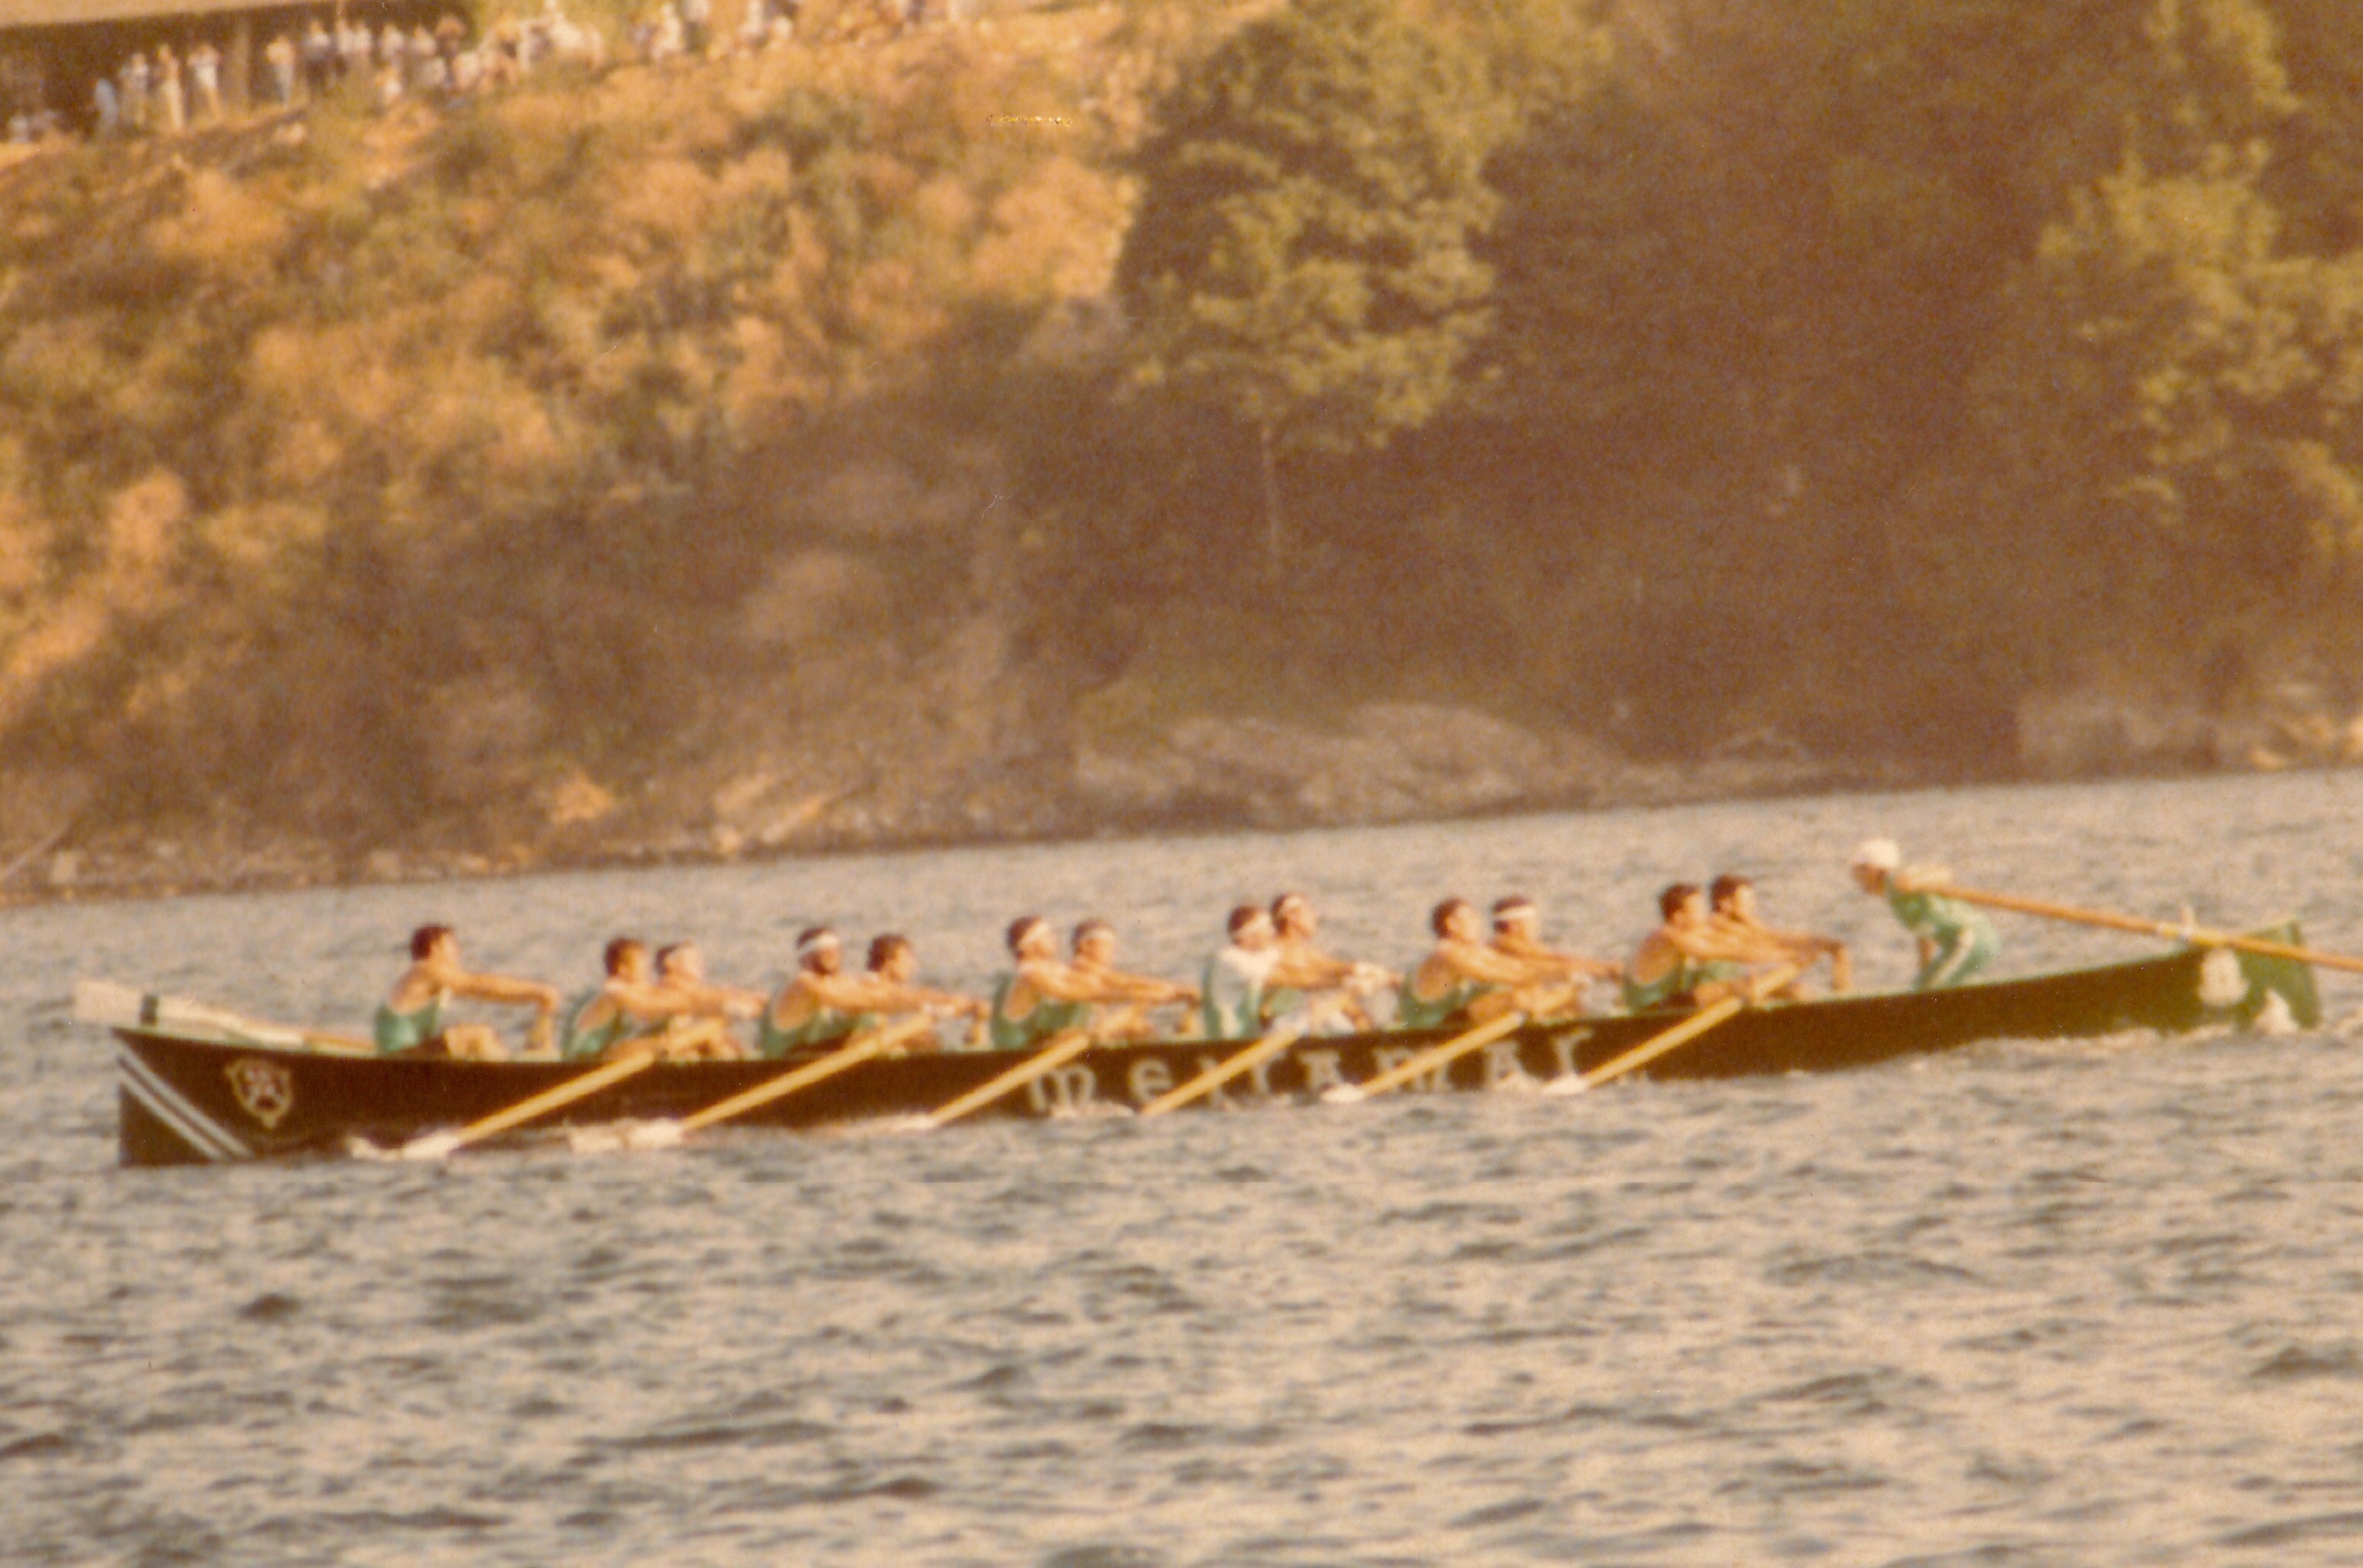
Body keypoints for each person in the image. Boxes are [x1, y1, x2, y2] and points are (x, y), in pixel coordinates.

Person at [989, 915, 1189, 1050]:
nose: (1055, 940)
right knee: (1115, 1025)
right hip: (1018, 1050)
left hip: (1042, 1041)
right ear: (1029, 945)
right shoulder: (1029, 975)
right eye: (1048, 936)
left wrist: (1177, 992)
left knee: (1136, 1025)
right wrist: (1135, 996)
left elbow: (1108, 982)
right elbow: (1074, 993)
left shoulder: (1052, 968)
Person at [374, 924, 561, 1058]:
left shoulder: (425, 977)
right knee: (478, 1036)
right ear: (435, 948)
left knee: (476, 1034)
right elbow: (482, 986)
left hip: (407, 1055)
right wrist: (539, 992)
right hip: (399, 1058)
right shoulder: (427, 969)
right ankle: (519, 1078)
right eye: (453, 946)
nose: (459, 952)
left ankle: (526, 1060)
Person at [1399, 897, 1585, 1030]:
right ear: (1452, 925)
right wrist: (1558, 976)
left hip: (1453, 1020)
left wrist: (1564, 972)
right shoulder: (1446, 953)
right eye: (1471, 918)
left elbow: (1515, 967)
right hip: (1429, 1027)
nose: (1478, 923)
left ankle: (1573, 1028)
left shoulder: (1475, 950)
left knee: (1546, 994)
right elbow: (1494, 974)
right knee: (1517, 999)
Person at [1850, 840, 1997, 991]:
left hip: (1970, 938)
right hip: (1965, 942)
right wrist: (1925, 972)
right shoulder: (1895, 897)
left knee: (1928, 993)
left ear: (1875, 868)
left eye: (1861, 871)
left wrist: (1913, 882)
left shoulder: (1896, 880)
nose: (1857, 879)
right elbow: (1923, 934)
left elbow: (1943, 872)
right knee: (1926, 989)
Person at [1625, 883, 1793, 1012]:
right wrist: (1781, 957)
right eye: (1698, 909)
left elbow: (1739, 942)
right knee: (1733, 987)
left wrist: (1792, 949)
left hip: (1671, 1002)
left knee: (1789, 990)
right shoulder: (1665, 935)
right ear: (1679, 917)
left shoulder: (1692, 932)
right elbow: (1713, 951)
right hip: (1648, 1010)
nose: (1705, 913)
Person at [559, 936, 735, 1059]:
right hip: (586, 1061)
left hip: (608, 1055)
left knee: (708, 1036)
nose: (648, 971)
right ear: (623, 970)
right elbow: (649, 1010)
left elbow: (671, 996)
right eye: (643, 965)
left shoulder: (633, 989)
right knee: (694, 1034)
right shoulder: (613, 992)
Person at [1264, 892, 1391, 1032]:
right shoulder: (1274, 949)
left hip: (1306, 1018)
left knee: (1359, 1016)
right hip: (1278, 1023)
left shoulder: (1310, 952)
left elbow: (1325, 968)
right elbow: (1305, 975)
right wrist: (1351, 975)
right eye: (1309, 910)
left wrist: (1358, 1016)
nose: (1314, 917)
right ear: (1291, 916)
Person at [1706, 873, 1851, 994]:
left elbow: (1774, 937)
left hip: (1747, 987)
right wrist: (1793, 955)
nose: (1754, 905)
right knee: (1798, 993)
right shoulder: (1716, 925)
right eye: (1748, 900)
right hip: (1721, 992)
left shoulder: (1749, 924)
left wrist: (1822, 944)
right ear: (1726, 904)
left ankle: (1843, 1001)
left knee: (1800, 990)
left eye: (1753, 899)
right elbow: (1753, 949)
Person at [1068, 919, 1197, 1040]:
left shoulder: (1095, 971)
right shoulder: (1079, 968)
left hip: (1090, 1032)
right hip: (1077, 1035)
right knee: (1136, 1024)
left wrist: (1178, 992)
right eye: (1106, 945)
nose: (1111, 951)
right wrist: (1170, 993)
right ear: (1084, 946)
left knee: (1138, 1024)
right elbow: (1128, 983)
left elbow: (1128, 982)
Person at [1489, 895, 1621, 1003]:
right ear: (1514, 926)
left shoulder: (1517, 946)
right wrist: (1604, 969)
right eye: (1532, 921)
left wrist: (1603, 968)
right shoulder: (1506, 946)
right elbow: (1548, 965)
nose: (1537, 925)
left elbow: (1556, 959)